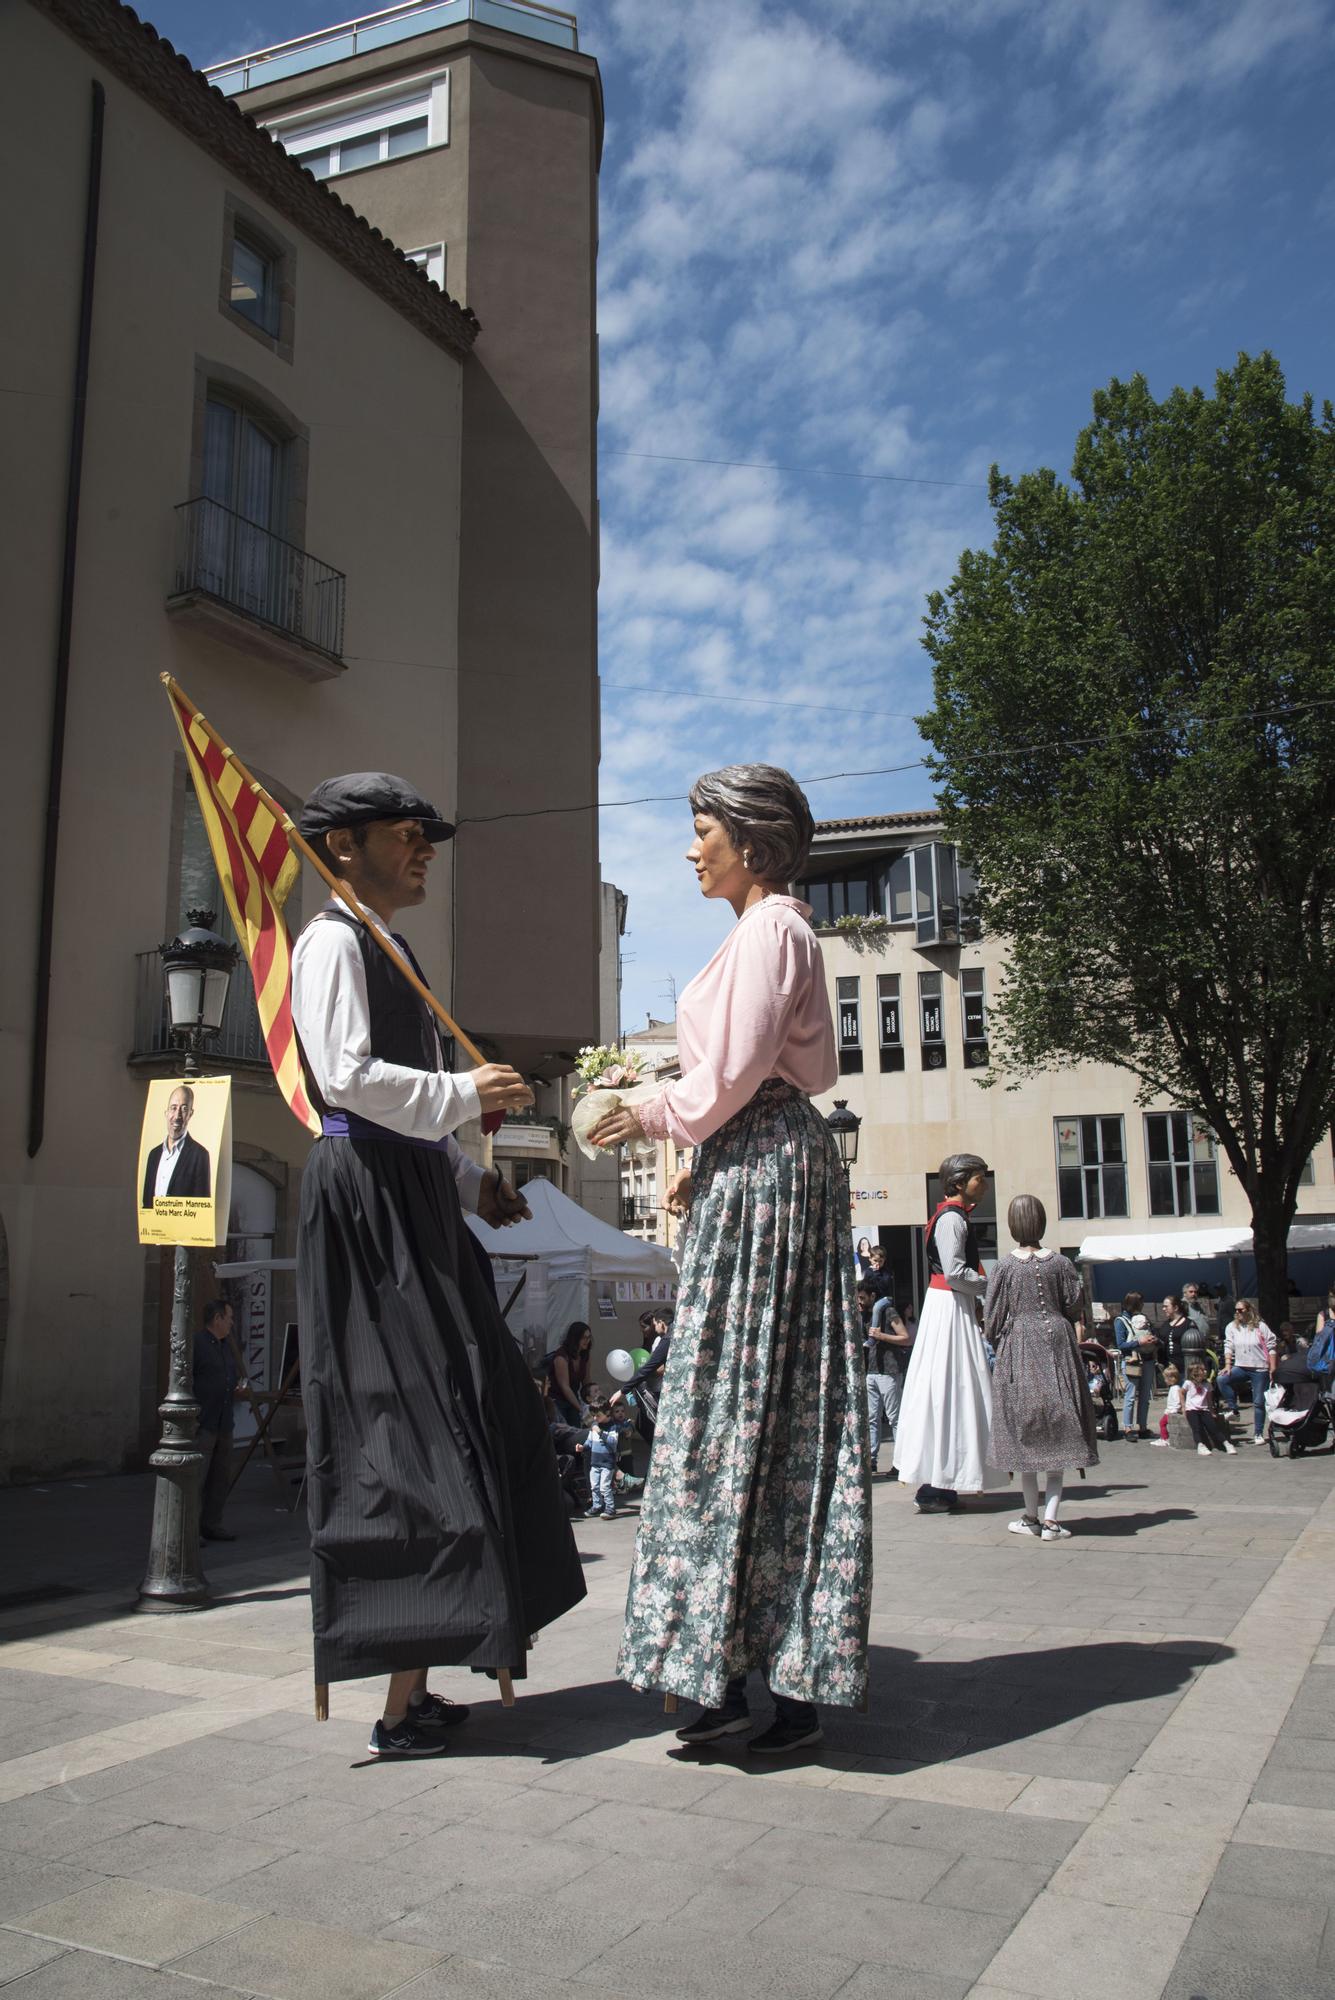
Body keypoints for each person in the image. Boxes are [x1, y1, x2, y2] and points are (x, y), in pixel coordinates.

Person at [291, 771, 586, 1759]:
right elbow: (346, 1078)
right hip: (369, 1204)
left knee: (469, 1411)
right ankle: (394, 1702)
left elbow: (398, 1107)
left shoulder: (390, 943)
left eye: (428, 835)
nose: (424, 848)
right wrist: (463, 1091)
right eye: (408, 832)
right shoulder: (331, 939)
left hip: (411, 1190)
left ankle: (410, 1692)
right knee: (412, 1430)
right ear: (343, 846)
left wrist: (469, 1184)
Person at [589, 763, 870, 1756]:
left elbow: (724, 1080)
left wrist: (648, 1112)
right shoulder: (767, 932)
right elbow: (743, 1081)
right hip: (755, 1168)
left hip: (763, 1172)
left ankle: (757, 1673)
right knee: (747, 1410)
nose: (690, 845)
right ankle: (729, 1662)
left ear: (751, 842)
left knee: (747, 1409)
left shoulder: (772, 931)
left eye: (702, 828)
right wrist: (696, 1157)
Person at [893, 1154, 1005, 1513]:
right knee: (952, 1386)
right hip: (950, 1304)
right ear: (958, 1183)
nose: (983, 1184)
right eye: (978, 1178)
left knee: (950, 1387)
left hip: (949, 1305)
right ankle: (938, 1483)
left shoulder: (951, 1217)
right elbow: (956, 1271)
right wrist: (992, 1286)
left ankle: (943, 1480)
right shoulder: (952, 1219)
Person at [986, 1196, 1099, 1542]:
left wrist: (1001, 1337)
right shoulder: (1061, 1264)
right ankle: (1051, 1520)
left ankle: (1030, 1516)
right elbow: (1074, 1304)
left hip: (1019, 1343)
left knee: (1025, 1432)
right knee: (1060, 1425)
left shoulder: (1004, 1267)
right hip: (1057, 1343)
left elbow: (992, 1318)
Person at [194, 1300, 245, 1541]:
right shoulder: (198, 1344)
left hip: (225, 1421)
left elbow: (227, 1374)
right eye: (229, 1317)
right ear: (217, 1319)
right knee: (197, 1478)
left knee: (220, 1478)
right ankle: (190, 1529)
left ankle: (212, 1523)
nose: (232, 1322)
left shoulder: (225, 1345)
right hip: (205, 1420)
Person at [859, 1283, 912, 1478]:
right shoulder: (864, 1314)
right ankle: (871, 1461)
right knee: (872, 1418)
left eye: (863, 1298)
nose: (860, 1301)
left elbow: (905, 1337)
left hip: (889, 1370)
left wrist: (882, 1336)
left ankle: (900, 1462)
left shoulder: (889, 1312)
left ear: (873, 1296)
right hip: (870, 1371)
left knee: (894, 1417)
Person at [1215, 1299, 1277, 1444]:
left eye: (1241, 1310)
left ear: (1249, 1310)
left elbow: (1271, 1345)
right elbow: (1228, 1346)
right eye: (1236, 1310)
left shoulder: (1260, 1326)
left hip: (1259, 1367)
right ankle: (1233, 1409)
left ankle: (1258, 1433)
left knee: (1258, 1402)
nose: (1237, 1313)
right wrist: (1228, 1366)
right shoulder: (1232, 1327)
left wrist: (1272, 1367)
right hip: (1241, 1366)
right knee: (1222, 1379)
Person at [142, 1084, 211, 1206]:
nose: (177, 1116)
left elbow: (200, 1208)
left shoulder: (200, 1155)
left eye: (184, 1109)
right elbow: (146, 1203)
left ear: (190, 1114)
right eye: (173, 1108)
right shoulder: (154, 1155)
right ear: (166, 1113)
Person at [1113, 1293, 1157, 1441]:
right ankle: (1128, 1428)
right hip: (1132, 1361)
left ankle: (1143, 1426)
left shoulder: (1144, 1319)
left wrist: (1153, 1339)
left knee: (1145, 1396)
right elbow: (1121, 1345)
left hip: (1148, 1360)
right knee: (1130, 1396)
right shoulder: (1120, 1321)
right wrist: (1139, 1342)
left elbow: (1152, 1333)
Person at [583, 1402, 629, 1519]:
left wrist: (600, 1432)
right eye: (593, 1415)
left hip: (607, 1464)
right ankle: (597, 1506)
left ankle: (610, 1508)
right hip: (595, 1463)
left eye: (597, 1415)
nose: (594, 1418)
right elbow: (589, 1442)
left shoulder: (613, 1427)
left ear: (607, 1413)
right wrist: (582, 1447)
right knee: (594, 1486)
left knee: (605, 1487)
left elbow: (613, 1442)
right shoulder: (594, 1426)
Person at [1184, 1362, 1236, 1454]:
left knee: (1213, 1428)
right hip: (1191, 1409)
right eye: (1202, 1370)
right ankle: (1200, 1445)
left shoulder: (1207, 1385)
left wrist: (1212, 1411)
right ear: (1195, 1373)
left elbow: (1209, 1400)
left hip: (1204, 1409)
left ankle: (1226, 1443)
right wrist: (1183, 1407)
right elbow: (1181, 1392)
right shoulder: (1188, 1383)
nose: (1205, 1371)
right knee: (1196, 1428)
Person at [547, 1323, 593, 1424]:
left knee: (576, 1424)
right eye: (584, 1338)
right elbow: (565, 1387)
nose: (587, 1341)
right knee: (563, 1427)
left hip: (573, 1397)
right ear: (575, 1338)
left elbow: (587, 1381)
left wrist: (592, 1401)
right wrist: (581, 1409)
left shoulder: (585, 1355)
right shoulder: (561, 1356)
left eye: (589, 1337)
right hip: (557, 1399)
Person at [1161, 1296, 1192, 1375]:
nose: (1163, 1309)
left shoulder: (1189, 1324)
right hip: (1169, 1369)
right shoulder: (1165, 1325)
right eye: (1163, 1307)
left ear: (1175, 1308)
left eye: (1166, 1306)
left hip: (1185, 1368)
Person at [1155, 1365, 1183, 1445]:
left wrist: (1173, 1411)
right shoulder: (1174, 1388)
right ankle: (1164, 1437)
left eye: (1166, 1378)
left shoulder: (1175, 1389)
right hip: (1170, 1410)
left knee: (1162, 1423)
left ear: (1171, 1379)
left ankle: (1165, 1438)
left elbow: (1177, 1402)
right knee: (1162, 1423)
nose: (1165, 1380)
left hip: (1171, 1411)